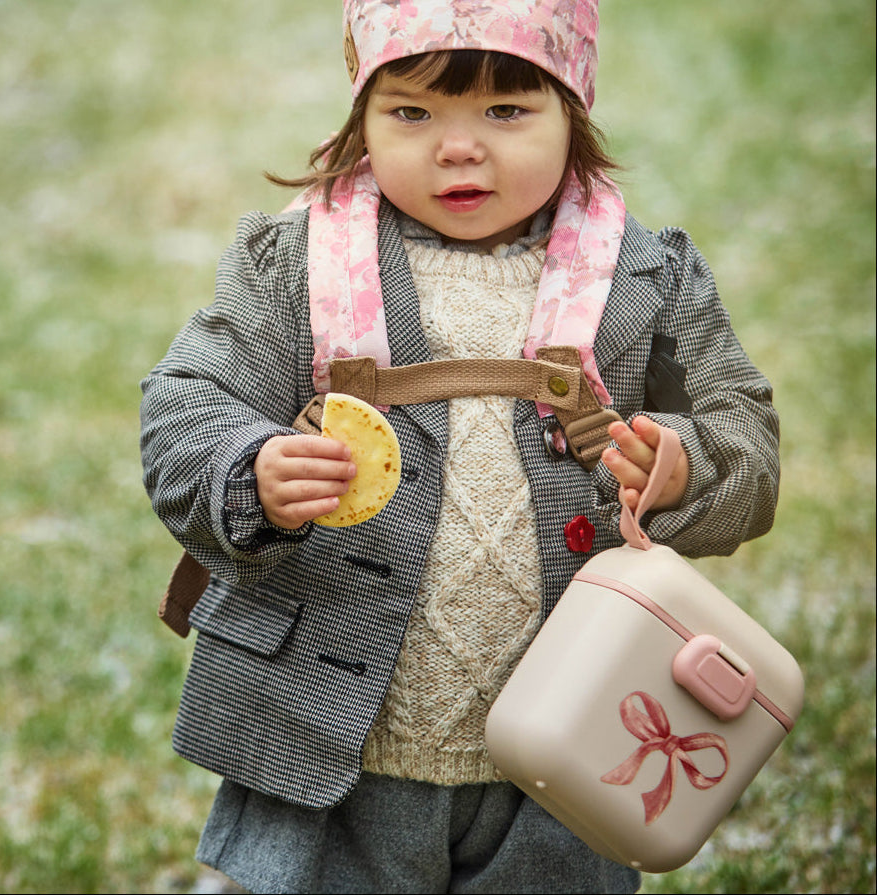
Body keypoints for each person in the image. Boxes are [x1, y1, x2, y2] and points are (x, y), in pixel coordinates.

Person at [139, 1, 779, 892]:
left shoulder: (643, 277)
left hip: (566, 743)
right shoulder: (295, 264)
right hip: (340, 740)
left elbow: (744, 429)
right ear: (360, 118)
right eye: (411, 112)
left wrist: (683, 463)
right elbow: (185, 405)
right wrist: (249, 470)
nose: (458, 148)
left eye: (506, 111)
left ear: (573, 113)